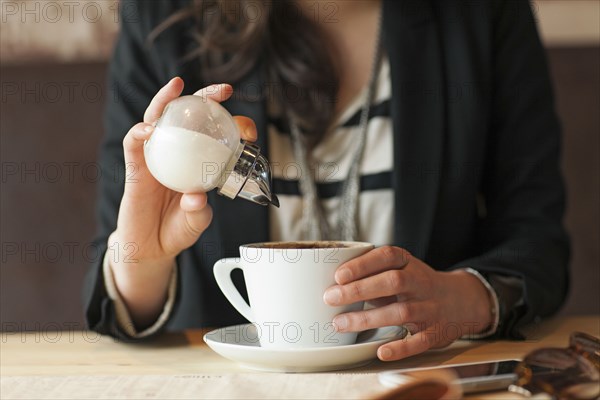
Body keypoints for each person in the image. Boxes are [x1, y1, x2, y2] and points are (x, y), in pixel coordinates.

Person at [83, 0, 570, 362]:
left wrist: (463, 298)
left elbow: (538, 244)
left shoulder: (480, 14)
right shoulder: (165, 19)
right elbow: (123, 300)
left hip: (423, 380)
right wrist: (141, 261)